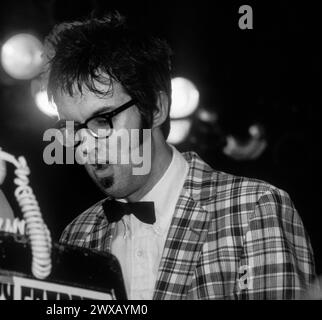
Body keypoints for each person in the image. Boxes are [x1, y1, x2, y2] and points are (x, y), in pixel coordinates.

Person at [44, 13, 315, 299]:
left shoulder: (252, 208)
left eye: (103, 120)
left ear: (156, 108)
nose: (85, 145)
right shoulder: (76, 235)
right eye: (71, 128)